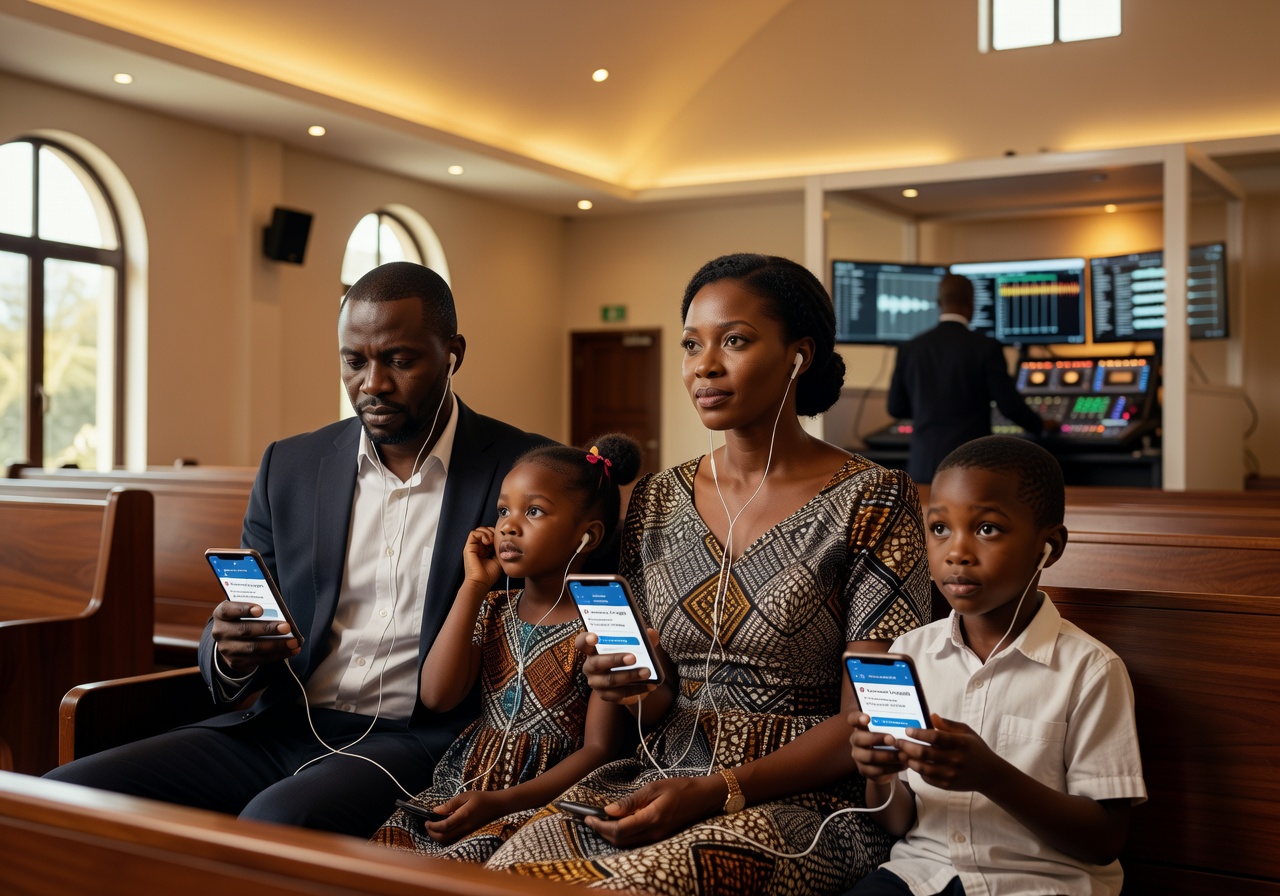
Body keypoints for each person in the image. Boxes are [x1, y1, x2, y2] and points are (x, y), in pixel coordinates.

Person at [46, 261, 551, 836]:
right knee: (64, 795)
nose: (373, 384)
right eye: (354, 361)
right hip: (284, 723)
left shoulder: (526, 471)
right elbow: (239, 630)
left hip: (419, 738)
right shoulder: (290, 466)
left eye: (400, 361)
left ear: (453, 353)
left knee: (275, 820)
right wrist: (233, 652)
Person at [486, 253, 932, 894]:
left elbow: (872, 719)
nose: (705, 366)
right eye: (692, 344)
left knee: (634, 888)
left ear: (798, 355)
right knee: (508, 876)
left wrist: (719, 789)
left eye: (736, 341)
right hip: (659, 774)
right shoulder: (657, 498)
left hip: (805, 799)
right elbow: (657, 697)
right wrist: (628, 683)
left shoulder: (873, 499)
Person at [846, 435, 1146, 896]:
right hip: (920, 876)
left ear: (1049, 547)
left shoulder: (1091, 670)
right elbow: (897, 820)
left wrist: (990, 776)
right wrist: (880, 773)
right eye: (940, 529)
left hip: (1039, 885)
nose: (957, 552)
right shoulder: (910, 653)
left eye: (987, 529)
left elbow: (1104, 840)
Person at [372, 434, 640, 861]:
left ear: (586, 536)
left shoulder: (600, 625)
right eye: (503, 511)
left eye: (533, 511)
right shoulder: (494, 607)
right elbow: (438, 695)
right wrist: (476, 585)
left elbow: (599, 750)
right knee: (385, 858)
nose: (508, 526)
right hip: (466, 785)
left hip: (545, 798)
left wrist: (500, 803)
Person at [886, 273, 1050, 484]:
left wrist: (926, 408)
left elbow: (895, 408)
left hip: (923, 467)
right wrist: (1041, 426)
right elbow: (1010, 407)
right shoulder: (986, 347)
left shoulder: (910, 348)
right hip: (971, 467)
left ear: (939, 303)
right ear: (971, 303)